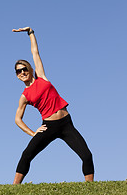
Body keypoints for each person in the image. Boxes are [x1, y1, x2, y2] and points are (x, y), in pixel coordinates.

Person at [11, 27, 94, 184]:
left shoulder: (41, 77)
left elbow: (35, 52)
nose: (22, 72)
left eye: (24, 69)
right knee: (27, 154)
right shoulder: (24, 96)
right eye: (18, 71)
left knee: (87, 155)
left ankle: (90, 188)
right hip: (48, 126)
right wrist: (32, 132)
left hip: (66, 123)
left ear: (29, 69)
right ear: (17, 75)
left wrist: (30, 33)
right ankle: (14, 187)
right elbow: (17, 119)